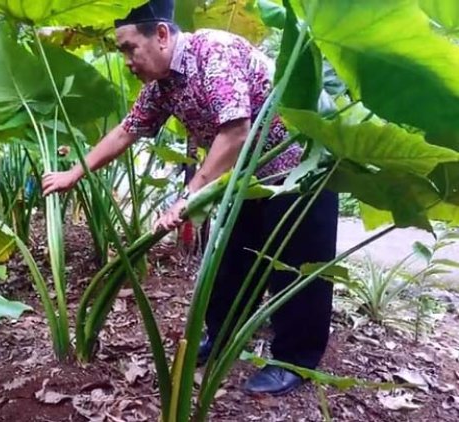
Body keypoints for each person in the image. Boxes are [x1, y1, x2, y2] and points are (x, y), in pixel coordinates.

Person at [41, 0, 338, 396]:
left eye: (131, 47)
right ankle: (223, 337)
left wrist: (189, 196)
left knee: (294, 268)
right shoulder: (162, 84)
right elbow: (126, 131)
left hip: (300, 169)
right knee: (233, 260)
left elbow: (235, 130)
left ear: (162, 35)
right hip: (248, 179)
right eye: (122, 51)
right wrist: (73, 174)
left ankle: (293, 361)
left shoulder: (212, 52)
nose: (128, 60)